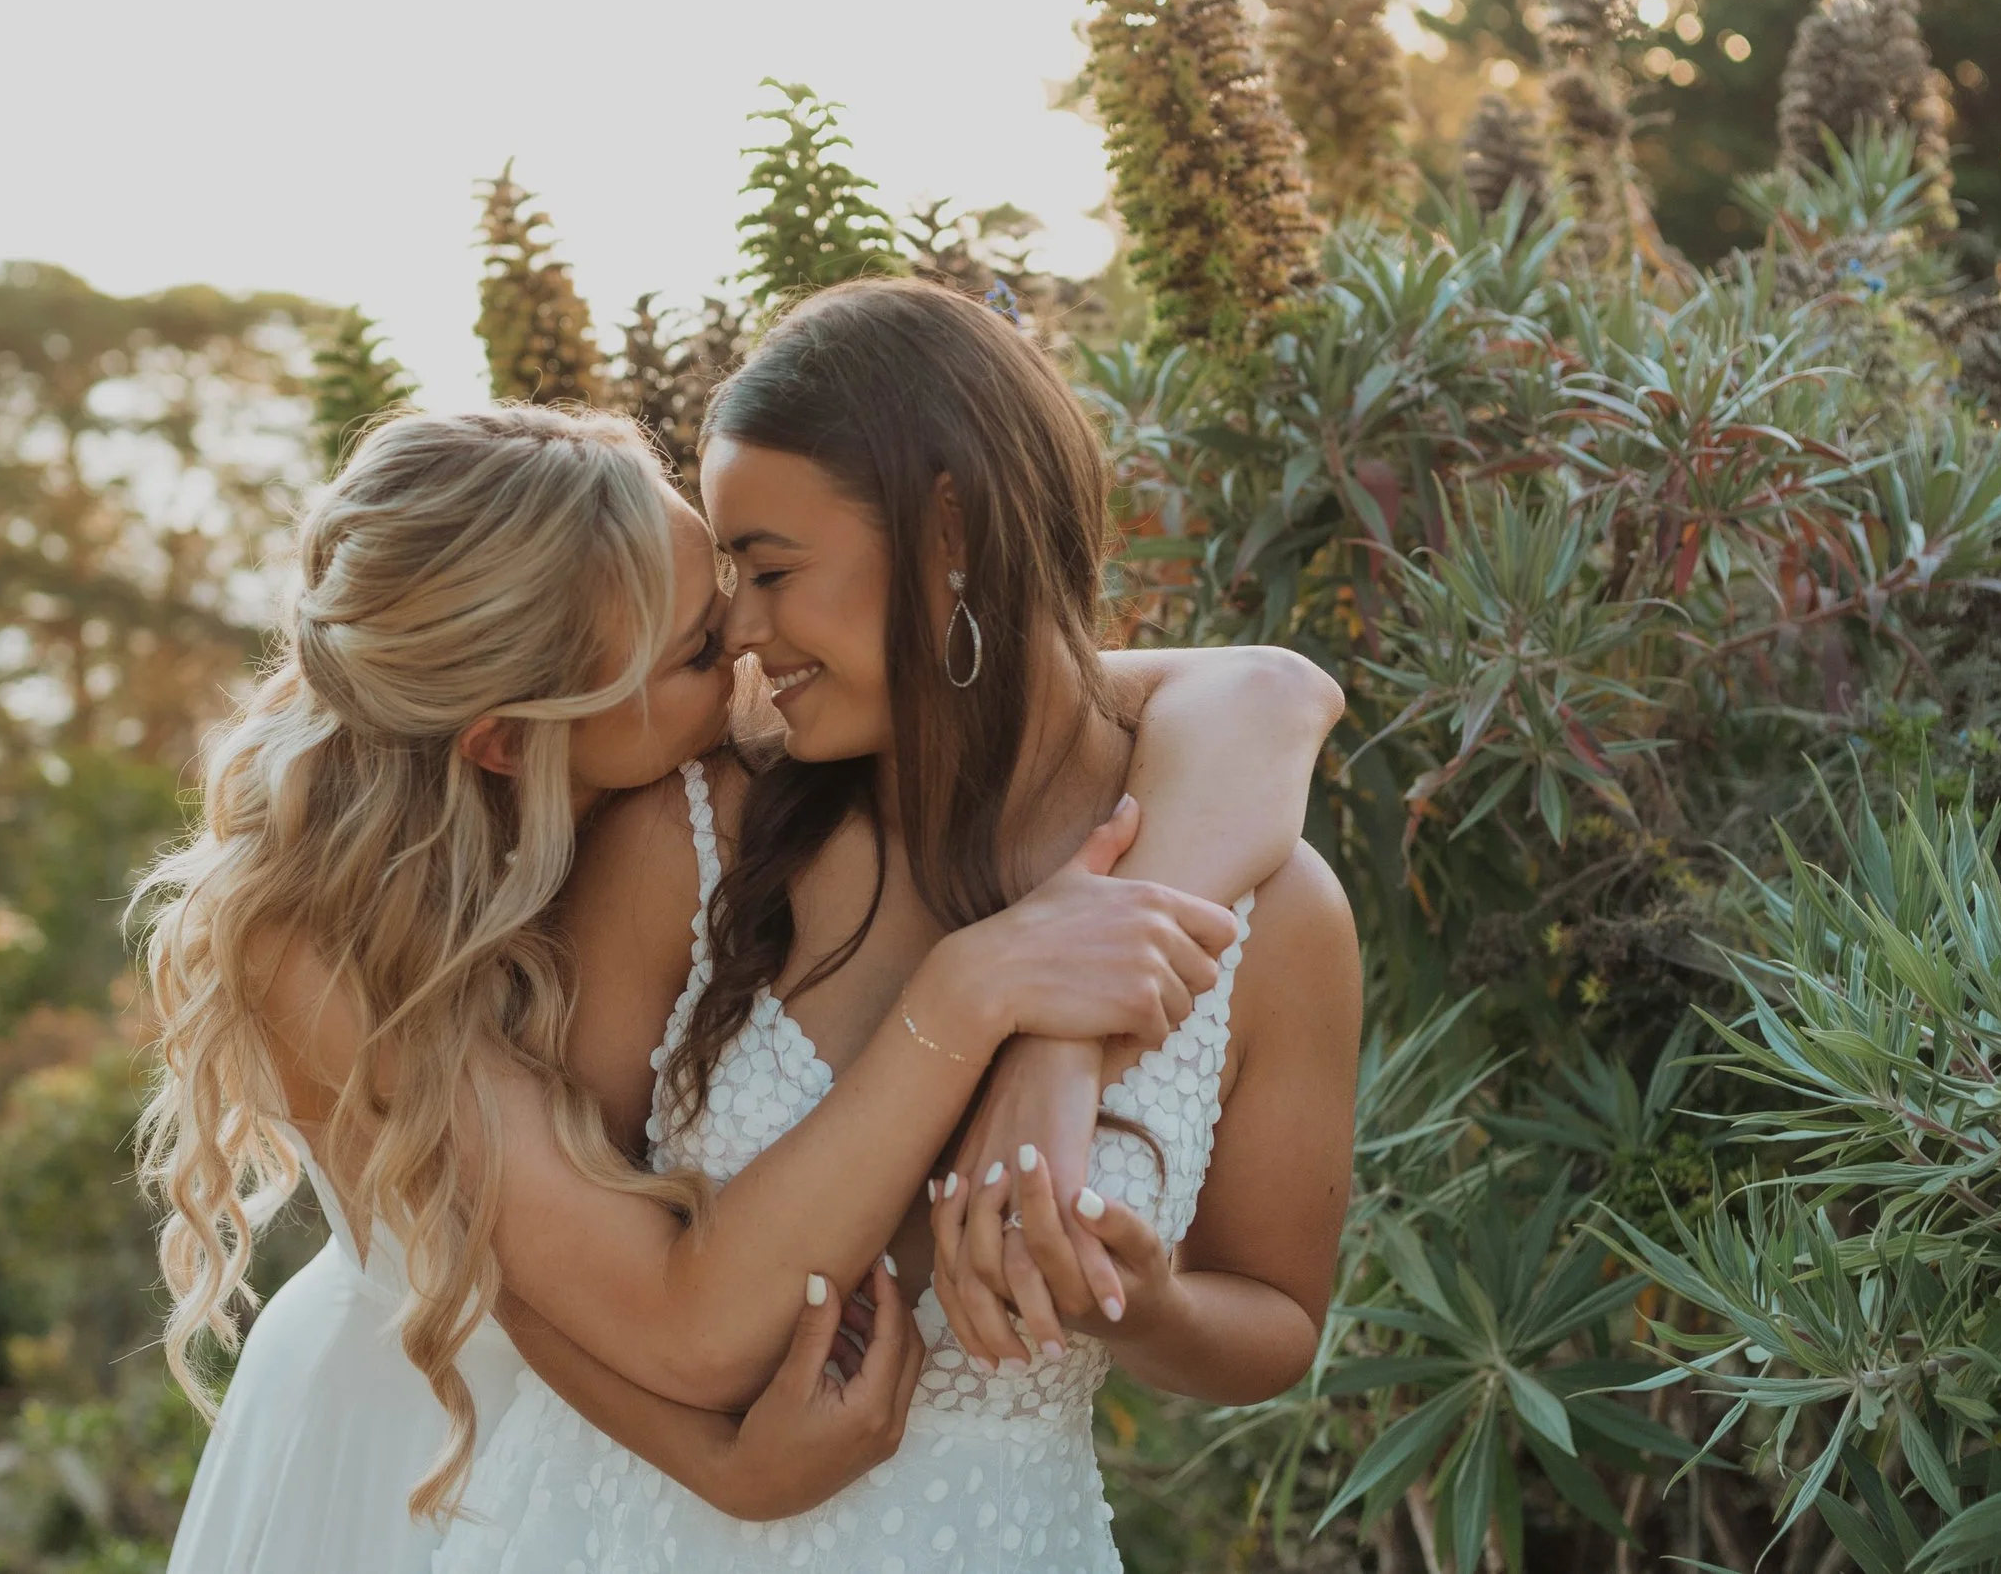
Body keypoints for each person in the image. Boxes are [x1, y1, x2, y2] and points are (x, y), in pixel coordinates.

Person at [146, 397, 1340, 1571]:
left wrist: (1063, 1042)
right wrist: (720, 1468)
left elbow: (1267, 694)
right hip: (423, 1450)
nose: (750, 656)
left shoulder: (677, 755)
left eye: (732, 592)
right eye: (698, 650)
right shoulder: (318, 946)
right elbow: (548, 1282)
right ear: (507, 738)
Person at [435, 280, 1364, 1574]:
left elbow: (1275, 1317)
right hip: (621, 1529)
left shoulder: (1277, 913)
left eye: (767, 569)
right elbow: (523, 1257)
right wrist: (720, 1462)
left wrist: (1140, 1304)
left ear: (949, 530)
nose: (741, 629)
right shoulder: (690, 835)